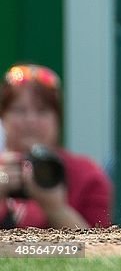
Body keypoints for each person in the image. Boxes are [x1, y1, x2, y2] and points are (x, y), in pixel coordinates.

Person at [0, 64, 112, 228]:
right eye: (19, 110)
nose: (31, 120)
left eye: (42, 111)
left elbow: (103, 250)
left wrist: (56, 209)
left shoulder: (85, 175)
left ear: (58, 119)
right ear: (3, 117)